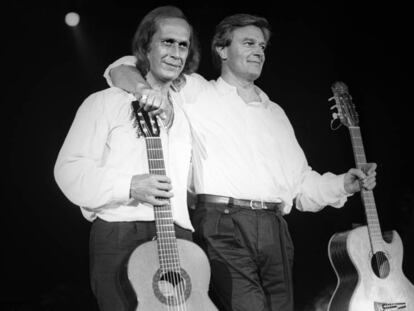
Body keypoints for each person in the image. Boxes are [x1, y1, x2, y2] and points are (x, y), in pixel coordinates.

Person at [104, 13, 377, 311]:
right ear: (222, 50)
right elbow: (122, 67)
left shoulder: (275, 113)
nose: (258, 51)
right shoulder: (195, 91)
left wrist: (344, 184)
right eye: (248, 43)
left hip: (275, 229)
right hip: (223, 223)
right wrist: (144, 91)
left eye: (262, 45)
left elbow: (301, 185)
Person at [54, 6, 201, 311]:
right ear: (146, 47)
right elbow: (69, 170)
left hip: (178, 233)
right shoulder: (105, 102)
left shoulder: (185, 113)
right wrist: (129, 185)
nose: (176, 52)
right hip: (122, 230)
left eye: (183, 45)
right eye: (167, 42)